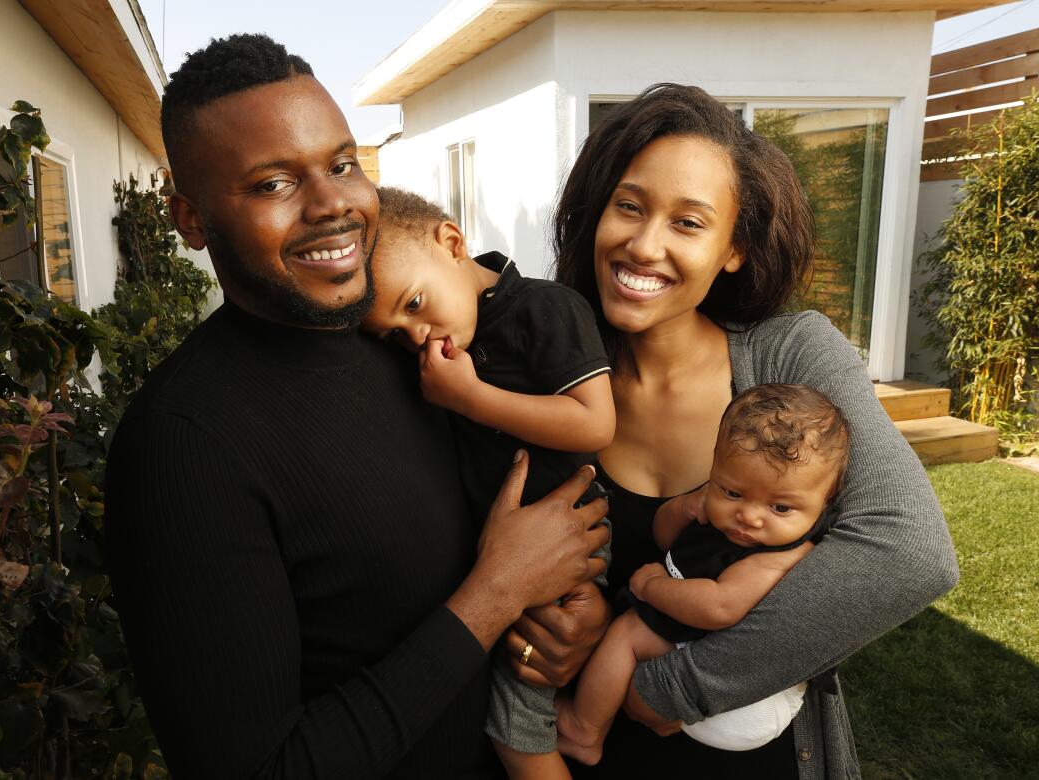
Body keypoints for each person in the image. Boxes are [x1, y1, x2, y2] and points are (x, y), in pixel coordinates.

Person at [103, 34, 610, 778]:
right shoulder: (183, 447)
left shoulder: (404, 345)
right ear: (191, 220)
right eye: (273, 184)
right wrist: (496, 596)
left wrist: (567, 616)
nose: (332, 204)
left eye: (342, 165)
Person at [537, 82, 960, 777]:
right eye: (630, 207)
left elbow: (908, 551)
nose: (644, 245)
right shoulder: (546, 382)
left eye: (688, 222)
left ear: (734, 248)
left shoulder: (791, 354)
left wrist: (676, 688)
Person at [361, 187, 614, 778]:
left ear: (452, 243)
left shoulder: (545, 309)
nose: (416, 335)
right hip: (509, 549)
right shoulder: (441, 351)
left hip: (568, 530)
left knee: (513, 711)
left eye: (415, 303)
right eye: (394, 333)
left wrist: (473, 398)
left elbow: (595, 422)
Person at [557, 384, 850, 767]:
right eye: (732, 492)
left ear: (825, 500)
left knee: (627, 634)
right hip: (707, 656)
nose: (750, 516)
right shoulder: (730, 505)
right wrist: (683, 508)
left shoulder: (785, 555)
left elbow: (718, 608)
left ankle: (584, 730)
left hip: (744, 695)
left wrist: (651, 586)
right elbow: (667, 539)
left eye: (780, 506)